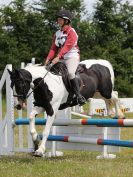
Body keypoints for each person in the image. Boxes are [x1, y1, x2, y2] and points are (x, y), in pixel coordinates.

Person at [44, 9, 86, 106]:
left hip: (72, 57)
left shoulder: (72, 32)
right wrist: (48, 59)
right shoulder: (57, 34)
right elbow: (53, 48)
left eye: (60, 19)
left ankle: (78, 96)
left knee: (70, 74)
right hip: (61, 57)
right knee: (49, 71)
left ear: (66, 21)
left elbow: (68, 46)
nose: (58, 21)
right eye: (58, 19)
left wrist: (58, 57)